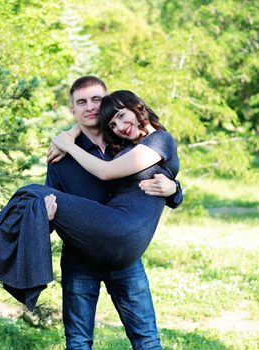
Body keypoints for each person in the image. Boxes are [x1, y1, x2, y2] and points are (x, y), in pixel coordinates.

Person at [0, 89, 180, 319]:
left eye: (122, 115)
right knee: (31, 197)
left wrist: (175, 190)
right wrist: (71, 134)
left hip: (121, 234)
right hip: (93, 246)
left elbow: (106, 172)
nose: (120, 126)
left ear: (138, 107)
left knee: (145, 336)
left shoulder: (159, 140)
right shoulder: (121, 147)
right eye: (112, 123)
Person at [45, 76, 182, 350]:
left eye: (97, 99)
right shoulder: (60, 159)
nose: (90, 107)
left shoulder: (126, 145)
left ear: (107, 102)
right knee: (78, 342)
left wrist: (174, 190)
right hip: (79, 258)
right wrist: (46, 219)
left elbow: (157, 176)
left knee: (146, 339)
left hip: (124, 258)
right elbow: (53, 203)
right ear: (74, 110)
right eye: (81, 102)